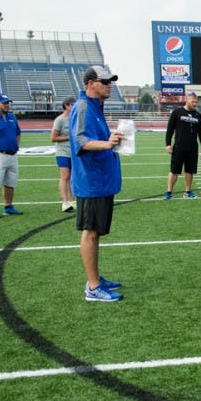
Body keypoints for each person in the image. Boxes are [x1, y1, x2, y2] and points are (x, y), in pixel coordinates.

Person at [68, 65, 125, 302]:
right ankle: (93, 287)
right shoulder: (83, 107)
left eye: (110, 81)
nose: (109, 85)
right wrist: (107, 143)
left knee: (95, 232)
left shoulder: (94, 107)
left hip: (99, 180)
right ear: (91, 83)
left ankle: (96, 278)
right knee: (90, 232)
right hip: (91, 181)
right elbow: (81, 141)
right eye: (104, 81)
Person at [164, 92, 201, 200]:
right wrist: (168, 144)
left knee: (189, 170)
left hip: (192, 148)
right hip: (179, 146)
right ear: (187, 100)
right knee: (174, 170)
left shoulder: (198, 115)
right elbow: (170, 129)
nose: (195, 104)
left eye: (196, 102)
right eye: (193, 101)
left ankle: (188, 191)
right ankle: (169, 192)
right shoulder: (177, 112)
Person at [50, 96, 76, 212]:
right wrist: (68, 137)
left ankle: (72, 200)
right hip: (62, 152)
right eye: (73, 105)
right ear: (67, 105)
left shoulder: (75, 118)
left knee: (72, 177)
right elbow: (53, 138)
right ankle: (64, 202)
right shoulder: (60, 120)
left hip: (74, 152)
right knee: (65, 177)